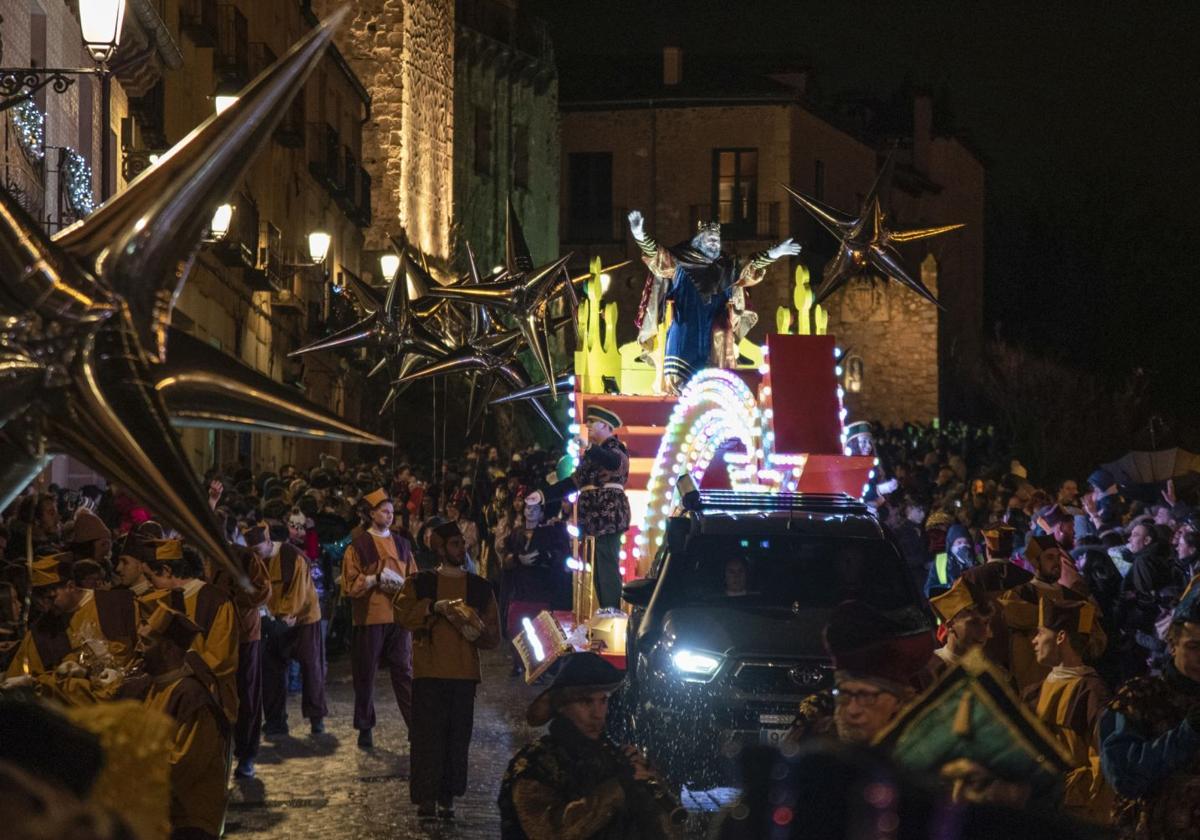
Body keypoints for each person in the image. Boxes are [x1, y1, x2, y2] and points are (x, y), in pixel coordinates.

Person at [498, 652, 683, 839]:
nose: (598, 714)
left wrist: (649, 787)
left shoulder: (611, 756)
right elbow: (551, 832)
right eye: (586, 702)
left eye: (603, 700)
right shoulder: (534, 763)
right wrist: (620, 787)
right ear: (561, 705)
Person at [394, 520, 501, 820]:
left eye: (462, 543)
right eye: (455, 543)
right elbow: (401, 614)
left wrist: (474, 628)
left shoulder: (480, 588)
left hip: (463, 675)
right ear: (440, 548)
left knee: (457, 739)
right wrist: (432, 608)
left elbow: (493, 636)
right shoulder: (420, 583)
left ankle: (448, 797)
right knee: (427, 738)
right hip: (428, 673)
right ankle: (426, 799)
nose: (461, 548)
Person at [629, 211, 801, 393]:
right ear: (698, 239)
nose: (714, 242)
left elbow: (752, 265)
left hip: (717, 335)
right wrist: (640, 235)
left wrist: (776, 252)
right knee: (682, 385)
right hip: (686, 331)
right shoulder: (680, 259)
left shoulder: (727, 266)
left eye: (716, 239)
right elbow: (657, 254)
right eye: (710, 238)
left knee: (717, 386)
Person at [1100, 586, 1200, 838]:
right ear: (1173, 644)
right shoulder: (1138, 696)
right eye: (1194, 647)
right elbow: (1123, 775)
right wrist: (1187, 734)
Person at [139, 603, 230, 840]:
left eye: (146, 643)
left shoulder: (192, 699)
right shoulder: (156, 685)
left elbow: (180, 766)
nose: (139, 649)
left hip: (189, 819)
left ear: (168, 649)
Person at [785, 600, 932, 744]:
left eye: (866, 697)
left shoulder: (922, 749)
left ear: (899, 702)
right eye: (844, 695)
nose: (852, 710)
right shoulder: (813, 741)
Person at [341, 488, 419, 749]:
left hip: (398, 617)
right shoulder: (358, 546)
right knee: (365, 673)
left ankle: (415, 725)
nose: (389, 515)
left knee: (404, 672)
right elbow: (350, 585)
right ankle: (365, 726)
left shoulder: (403, 544)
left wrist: (404, 587)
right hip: (370, 617)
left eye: (391, 511)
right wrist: (374, 579)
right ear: (372, 514)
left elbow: (414, 578)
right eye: (384, 511)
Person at [530, 407, 630, 610]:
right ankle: (605, 610)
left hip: (608, 516)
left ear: (606, 426)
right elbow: (572, 483)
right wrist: (542, 495)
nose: (589, 426)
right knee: (597, 568)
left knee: (607, 565)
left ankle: (612, 612)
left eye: (593, 422)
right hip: (593, 518)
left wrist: (590, 449)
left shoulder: (617, 450)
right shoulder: (591, 458)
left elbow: (612, 462)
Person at [1024, 597, 1113, 823]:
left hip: (1074, 810)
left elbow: (1101, 764)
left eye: (1040, 633)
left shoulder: (1090, 692)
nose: (1034, 641)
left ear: (1061, 637)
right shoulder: (1035, 691)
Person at [143, 540, 239, 727]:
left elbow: (222, 658)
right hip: (170, 697)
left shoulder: (216, 600)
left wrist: (181, 670)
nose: (148, 584)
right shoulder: (162, 599)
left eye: (150, 577)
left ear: (167, 570)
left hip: (207, 698)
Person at [247, 522, 328, 736]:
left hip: (303, 619)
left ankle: (316, 717)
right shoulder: (256, 561)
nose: (256, 556)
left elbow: (298, 592)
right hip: (276, 621)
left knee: (311, 668)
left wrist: (283, 617)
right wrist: (267, 618)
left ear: (267, 542)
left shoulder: (292, 556)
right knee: (271, 669)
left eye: (258, 551)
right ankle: (275, 720)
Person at [4, 554, 138, 679]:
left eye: (51, 598)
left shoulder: (118, 604)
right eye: (39, 602)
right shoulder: (41, 631)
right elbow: (20, 673)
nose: (46, 607)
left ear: (71, 586)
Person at [206, 543, 272, 780]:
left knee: (247, 692)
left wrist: (231, 595)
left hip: (243, 635)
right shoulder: (194, 553)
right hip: (210, 635)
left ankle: (246, 754)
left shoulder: (244, 557)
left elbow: (263, 592)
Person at [926, 576, 998, 683]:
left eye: (986, 623)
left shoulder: (993, 670)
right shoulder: (930, 669)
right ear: (950, 624)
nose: (985, 633)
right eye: (974, 623)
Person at [924, 522, 976, 597]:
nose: (963, 545)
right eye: (959, 542)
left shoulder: (977, 556)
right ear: (951, 545)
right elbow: (928, 589)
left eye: (966, 542)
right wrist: (950, 586)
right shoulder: (940, 562)